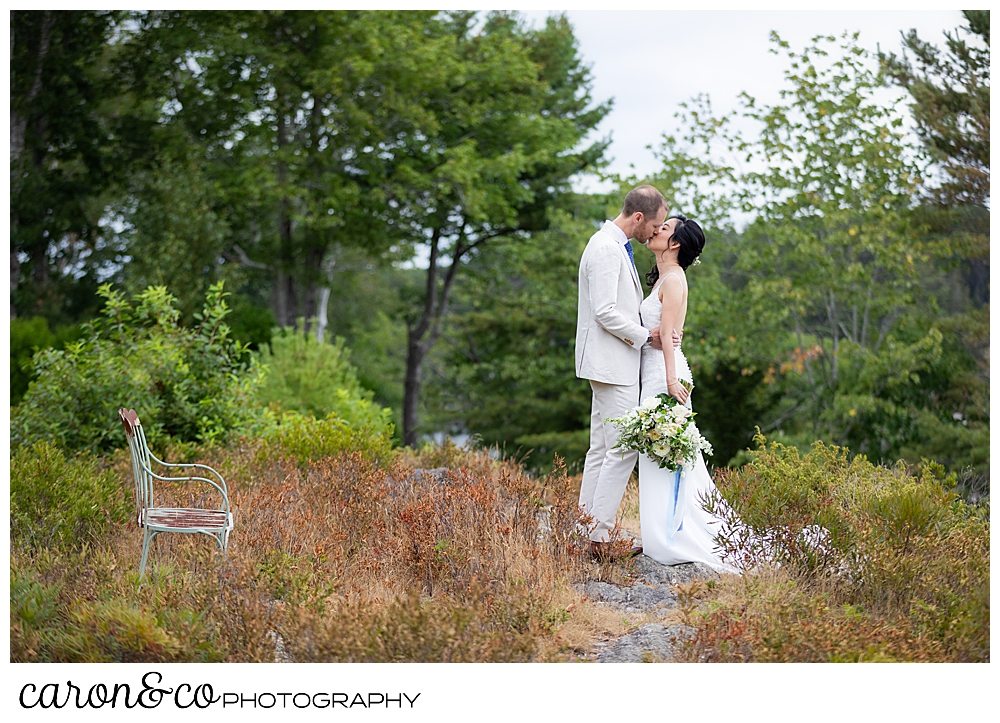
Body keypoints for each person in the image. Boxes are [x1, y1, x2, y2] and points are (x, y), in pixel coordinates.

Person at [637, 214, 739, 574]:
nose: (655, 230)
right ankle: (664, 530)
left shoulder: (675, 280)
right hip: (653, 372)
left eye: (664, 228)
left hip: (665, 375)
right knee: (661, 454)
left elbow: (667, 338)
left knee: (669, 454)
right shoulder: (663, 278)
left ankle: (671, 533)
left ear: (676, 242)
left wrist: (668, 382)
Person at [576, 185, 668, 559]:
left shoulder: (614, 246)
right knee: (623, 447)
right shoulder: (604, 247)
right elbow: (605, 311)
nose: (656, 233)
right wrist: (646, 336)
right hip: (612, 364)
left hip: (612, 362)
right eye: (656, 224)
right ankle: (598, 537)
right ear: (638, 218)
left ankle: (583, 531)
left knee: (601, 447)